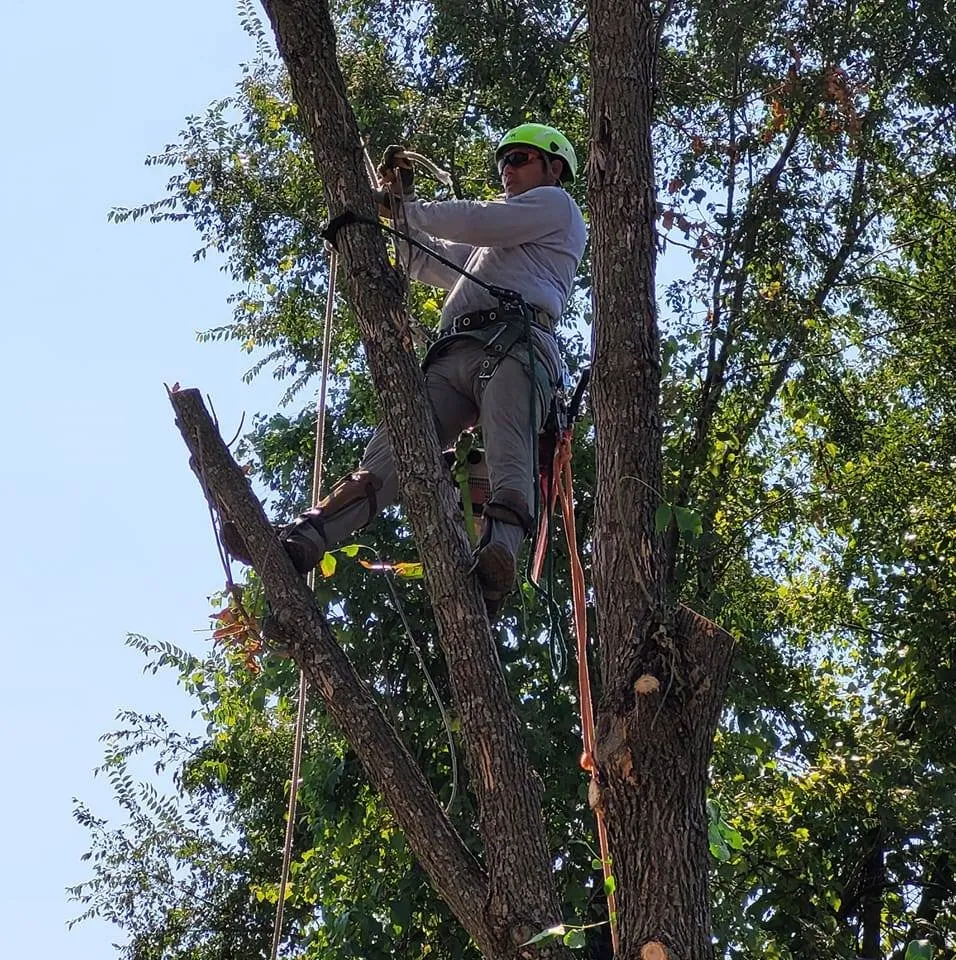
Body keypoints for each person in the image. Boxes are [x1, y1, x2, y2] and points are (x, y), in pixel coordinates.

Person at [227, 123, 587, 618]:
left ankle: (498, 557)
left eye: (520, 158)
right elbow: (420, 259)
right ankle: (304, 540)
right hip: (456, 350)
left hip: (516, 347)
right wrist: (401, 205)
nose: (507, 168)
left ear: (554, 166)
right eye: (504, 160)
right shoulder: (492, 247)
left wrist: (404, 208)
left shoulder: (556, 208)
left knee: (509, 455)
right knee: (393, 452)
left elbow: (480, 219)